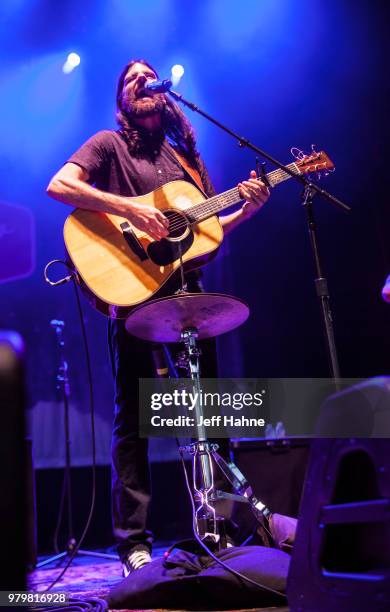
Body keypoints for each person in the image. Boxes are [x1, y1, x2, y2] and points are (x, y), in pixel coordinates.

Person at [47, 59, 270, 576]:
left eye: (147, 77)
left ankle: (222, 525)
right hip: (135, 294)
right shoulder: (108, 145)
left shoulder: (187, 163)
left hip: (189, 297)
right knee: (137, 420)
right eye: (128, 79)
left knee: (206, 410)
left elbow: (205, 240)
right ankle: (133, 543)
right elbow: (60, 185)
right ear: (122, 99)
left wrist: (247, 210)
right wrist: (130, 210)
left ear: (165, 94)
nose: (139, 83)